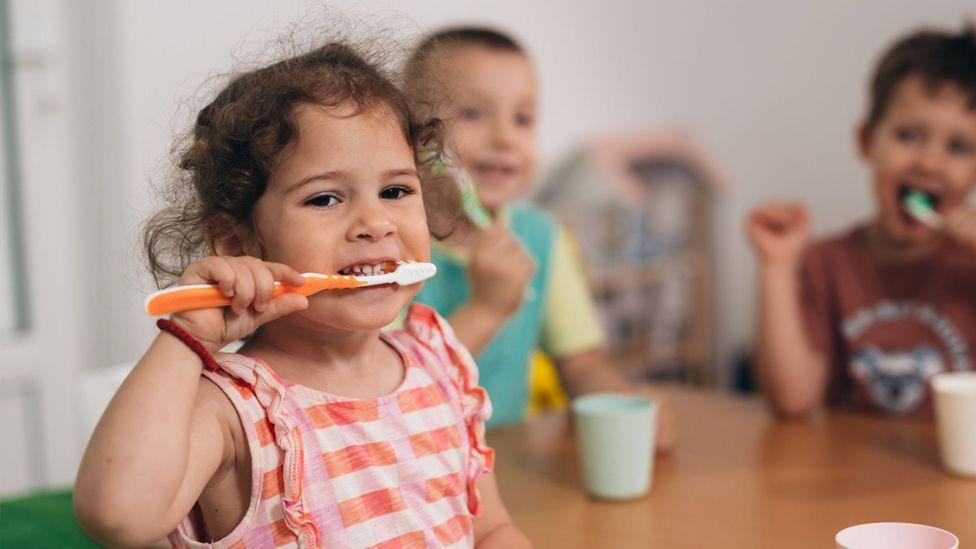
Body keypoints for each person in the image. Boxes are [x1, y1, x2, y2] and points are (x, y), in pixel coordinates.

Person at [73, 41, 531, 548]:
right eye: (324, 198)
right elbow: (118, 517)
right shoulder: (234, 408)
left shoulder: (442, 366)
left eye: (396, 191)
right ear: (235, 243)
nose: (375, 223)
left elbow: (490, 528)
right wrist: (185, 337)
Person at [403, 27, 675, 448]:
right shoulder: (389, 245)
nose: (504, 138)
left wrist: (624, 405)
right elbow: (392, 395)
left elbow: (581, 364)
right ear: (413, 133)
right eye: (473, 113)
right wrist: (486, 306)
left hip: (507, 462)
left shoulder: (542, 237)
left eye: (523, 118)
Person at [747, 25, 976, 418]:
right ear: (867, 141)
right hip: (851, 472)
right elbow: (793, 399)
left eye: (958, 147)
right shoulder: (827, 263)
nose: (929, 162)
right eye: (909, 136)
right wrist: (777, 266)